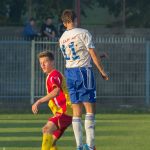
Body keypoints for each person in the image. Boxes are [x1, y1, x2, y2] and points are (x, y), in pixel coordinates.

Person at [59, 9, 109, 150]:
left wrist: (101, 55)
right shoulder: (83, 33)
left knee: (76, 111)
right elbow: (91, 54)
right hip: (83, 73)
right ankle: (91, 145)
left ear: (64, 23)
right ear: (75, 20)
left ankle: (79, 146)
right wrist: (102, 71)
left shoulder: (62, 38)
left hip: (70, 73)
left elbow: (78, 54)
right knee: (90, 109)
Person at [32, 51, 72, 150]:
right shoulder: (51, 76)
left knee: (46, 129)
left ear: (52, 62)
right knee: (51, 143)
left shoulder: (54, 75)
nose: (42, 65)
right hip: (65, 111)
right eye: (41, 63)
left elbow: (56, 91)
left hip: (65, 111)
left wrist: (39, 101)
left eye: (45, 62)